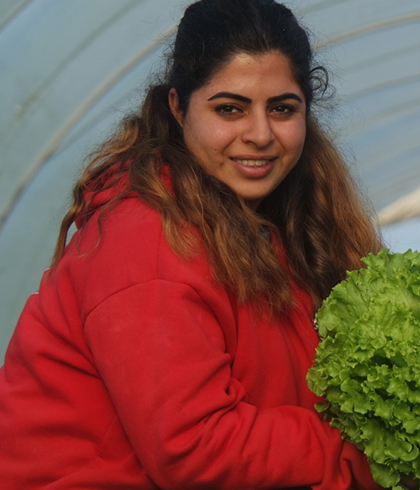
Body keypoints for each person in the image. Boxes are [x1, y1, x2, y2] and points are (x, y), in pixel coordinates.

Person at [0, 0, 389, 488]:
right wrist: (363, 454)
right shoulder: (148, 237)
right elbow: (193, 446)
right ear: (178, 107)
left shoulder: (282, 226)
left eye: (282, 109)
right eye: (230, 108)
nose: (260, 134)